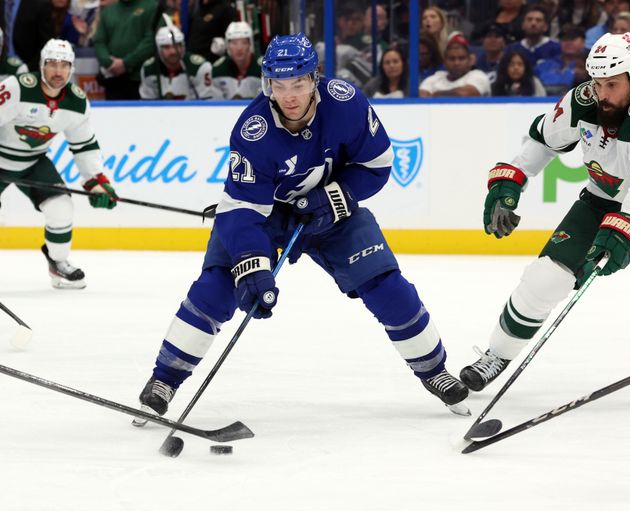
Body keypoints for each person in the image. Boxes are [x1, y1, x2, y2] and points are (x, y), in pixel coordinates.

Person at [132, 33, 469, 424]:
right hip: (267, 215)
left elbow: (377, 167)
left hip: (332, 212)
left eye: (298, 83)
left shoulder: (346, 104)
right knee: (218, 286)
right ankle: (164, 381)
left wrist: (334, 198)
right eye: (279, 85)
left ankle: (435, 370)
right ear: (267, 84)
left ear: (315, 79)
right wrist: (252, 265)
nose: (289, 95)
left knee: (386, 283)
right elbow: (242, 208)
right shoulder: (252, 130)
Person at [460, 32, 630, 408]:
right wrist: (511, 178)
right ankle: (496, 354)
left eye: (612, 85)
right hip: (607, 194)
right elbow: (543, 138)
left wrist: (625, 226)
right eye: (597, 83)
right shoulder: (585, 99)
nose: (602, 93)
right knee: (546, 276)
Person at [0, 39, 117, 288]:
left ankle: (58, 263)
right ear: (41, 66)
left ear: (72, 68)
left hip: (33, 162)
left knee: (61, 207)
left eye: (64, 65)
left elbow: (84, 146)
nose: (57, 71)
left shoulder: (76, 102)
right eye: (52, 64)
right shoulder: (17, 88)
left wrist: (97, 182)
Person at [93, 0, 157, 100]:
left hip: (141, 78)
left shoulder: (152, 6)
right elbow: (99, 41)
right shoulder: (108, 11)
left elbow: (151, 40)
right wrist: (109, 62)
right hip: (113, 78)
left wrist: (126, 63)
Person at [139, 24, 218, 100]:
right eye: (167, 47)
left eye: (177, 46)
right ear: (159, 49)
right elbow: (148, 105)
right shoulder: (148, 69)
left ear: (183, 46)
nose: (173, 51)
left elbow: (207, 104)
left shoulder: (200, 67)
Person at [419, 36, 490, 98]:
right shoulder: (435, 78)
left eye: (461, 58)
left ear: (470, 60)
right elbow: (422, 97)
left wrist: (437, 94)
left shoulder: (478, 75)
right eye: (452, 59)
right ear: (444, 61)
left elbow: (465, 94)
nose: (456, 63)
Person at [211, 21, 261, 100]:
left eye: (244, 42)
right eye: (234, 43)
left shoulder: (263, 68)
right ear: (228, 45)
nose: (239, 48)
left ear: (250, 44)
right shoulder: (218, 69)